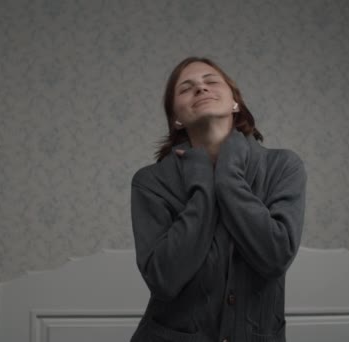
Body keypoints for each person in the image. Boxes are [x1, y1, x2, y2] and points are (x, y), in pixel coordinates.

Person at [130, 56, 306, 342]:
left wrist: (228, 177)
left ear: (235, 102)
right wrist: (203, 184)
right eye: (186, 88)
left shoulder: (283, 166)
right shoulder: (151, 182)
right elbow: (163, 280)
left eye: (211, 81)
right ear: (176, 118)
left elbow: (275, 256)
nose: (201, 89)